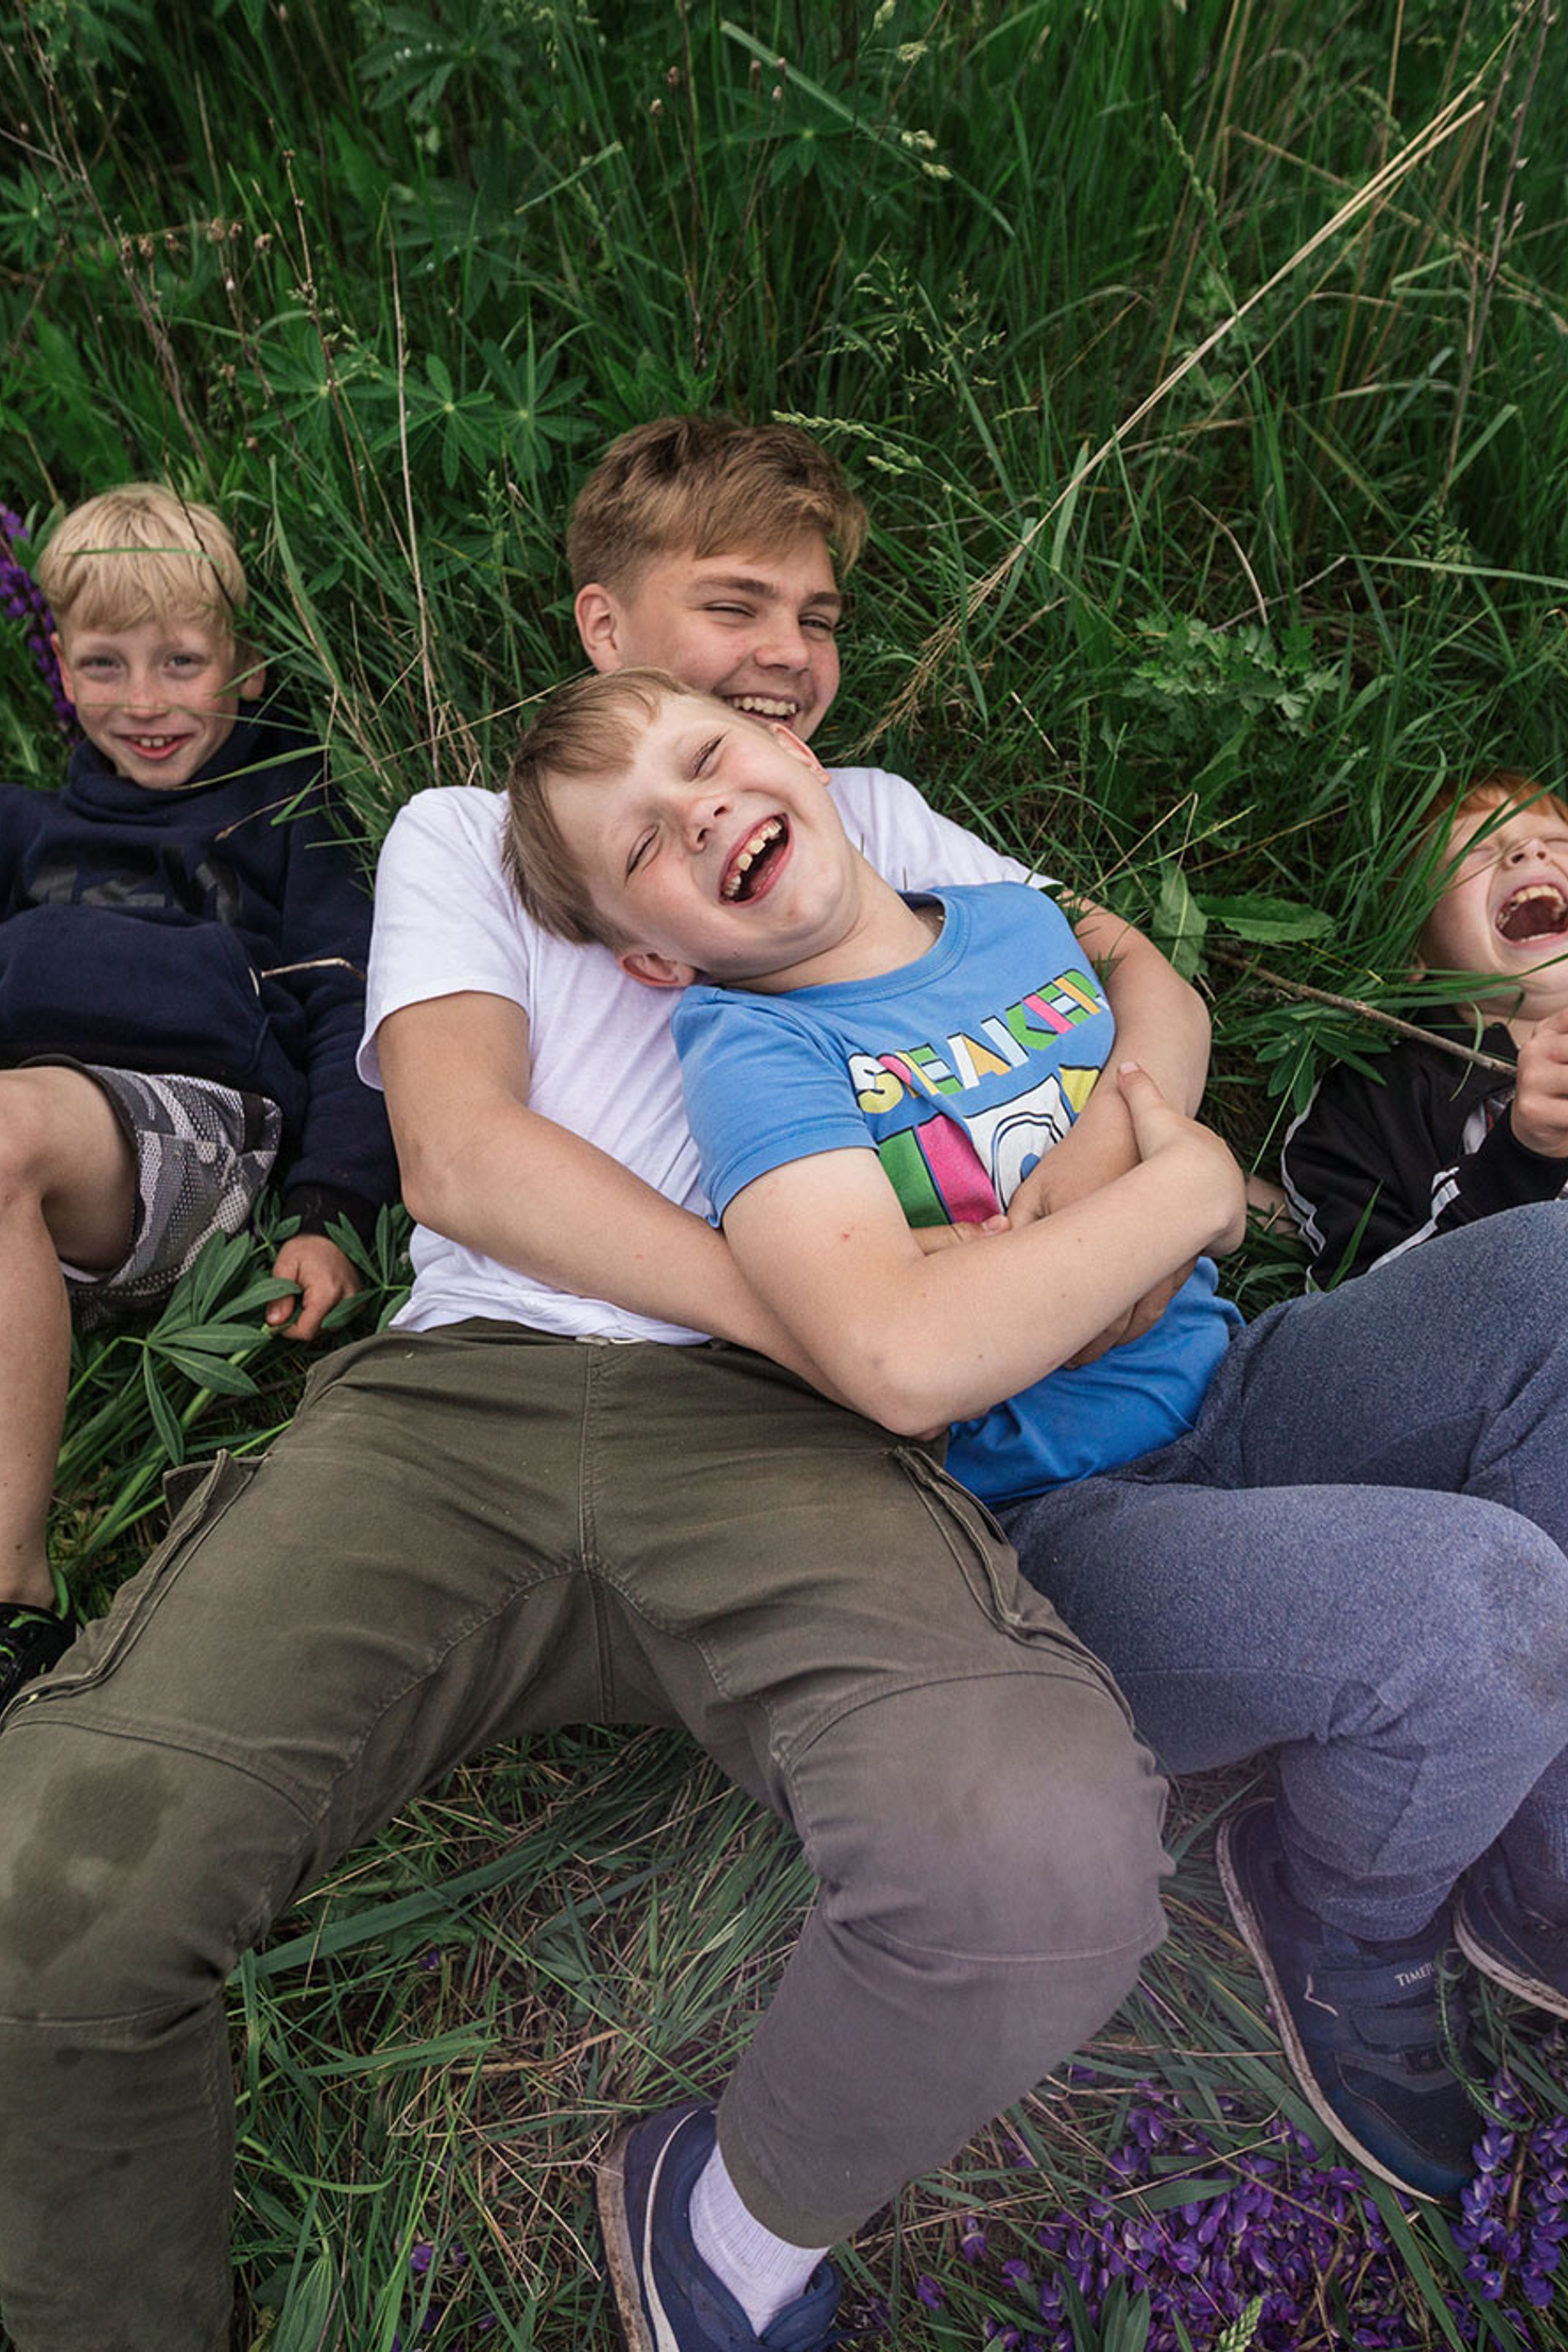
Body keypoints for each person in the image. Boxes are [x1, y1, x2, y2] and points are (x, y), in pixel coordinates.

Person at [0, 417, 1207, 2352]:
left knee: (1040, 1861)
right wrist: (846, 1314)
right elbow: (466, 1159)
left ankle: (734, 2216)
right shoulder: (455, 838)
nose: (787, 656)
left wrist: (1117, 1165)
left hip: (790, 1455)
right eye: (735, 604)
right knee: (47, 1890)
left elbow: (1116, 973)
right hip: (466, 1410)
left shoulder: (867, 811)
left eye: (813, 621)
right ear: (602, 615)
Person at [503, 663, 1568, 2214]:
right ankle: (1345, 1909)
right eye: (649, 839)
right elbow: (890, 1351)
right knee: (1476, 1603)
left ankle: (1532, 1846)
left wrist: (1088, 1187)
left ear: (793, 742)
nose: (706, 809)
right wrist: (1165, 1198)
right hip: (1052, 1524)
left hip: (1239, 1379)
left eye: (708, 755)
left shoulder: (997, 916)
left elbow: (1145, 984)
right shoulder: (756, 1054)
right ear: (651, 957)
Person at [0, 484, 397, 1709]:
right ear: (58, 667)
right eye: (105, 663)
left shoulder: (284, 813)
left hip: (195, 1132)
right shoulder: (25, 829)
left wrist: (330, 1212)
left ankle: (11, 1594)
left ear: (249, 663)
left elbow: (349, 1012)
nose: (146, 700)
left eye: (183, 660)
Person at [1281, 767, 1568, 1281]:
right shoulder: (1371, 1103)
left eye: (1556, 839)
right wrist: (1522, 1161)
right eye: (1476, 849)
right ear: (1416, 946)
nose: (1531, 852)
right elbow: (1374, 1331)